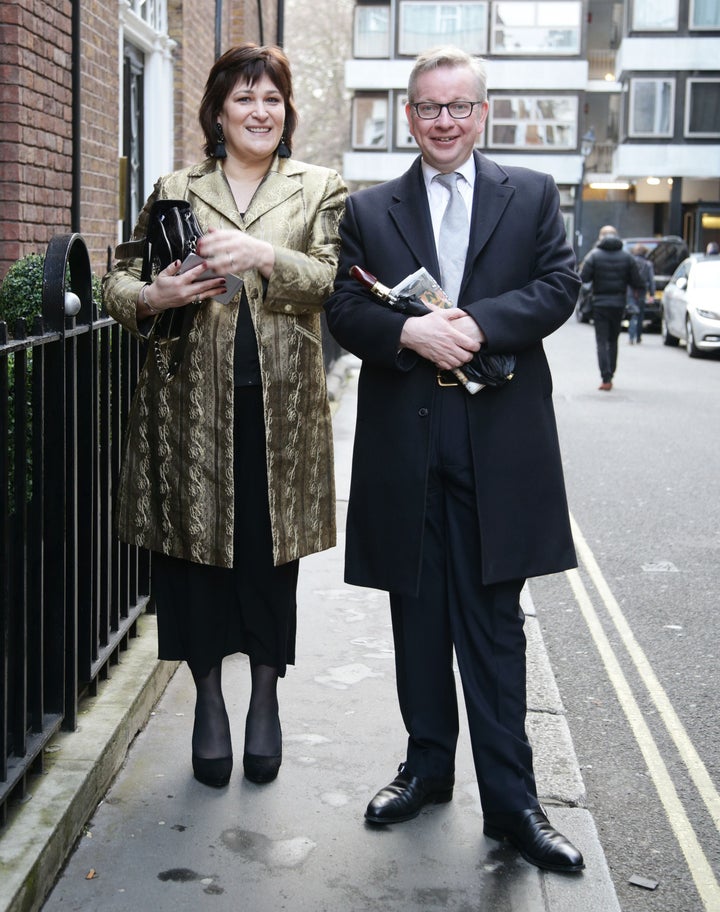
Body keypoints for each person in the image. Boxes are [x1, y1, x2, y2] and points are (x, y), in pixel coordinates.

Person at [325, 46, 584, 873]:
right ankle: (427, 769)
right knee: (417, 620)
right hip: (408, 445)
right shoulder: (370, 208)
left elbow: (559, 285)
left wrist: (473, 322)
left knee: (495, 629)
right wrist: (407, 330)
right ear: (409, 114)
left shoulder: (532, 194)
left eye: (459, 107)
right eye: (429, 108)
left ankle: (514, 806)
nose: (444, 121)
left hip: (499, 450)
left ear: (483, 112)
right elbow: (341, 306)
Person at [103, 44, 346, 789]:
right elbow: (121, 275)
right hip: (188, 413)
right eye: (244, 99)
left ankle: (264, 700)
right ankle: (209, 699)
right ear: (217, 111)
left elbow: (333, 284)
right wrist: (152, 297)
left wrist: (263, 254)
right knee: (193, 562)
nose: (259, 112)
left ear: (287, 112)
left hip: (283, 416)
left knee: (270, 562)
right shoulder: (177, 186)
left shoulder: (321, 188)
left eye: (272, 99)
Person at [580, 226, 643, 388]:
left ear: (601, 238)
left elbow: (583, 277)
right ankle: (611, 373)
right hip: (619, 304)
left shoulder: (594, 255)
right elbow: (637, 281)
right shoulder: (627, 257)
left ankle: (605, 377)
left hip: (600, 304)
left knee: (601, 341)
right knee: (613, 340)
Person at [626, 243, 655, 344]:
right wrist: (652, 294)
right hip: (642, 291)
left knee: (633, 313)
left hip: (630, 291)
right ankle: (638, 336)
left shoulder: (630, 262)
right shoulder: (648, 264)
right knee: (640, 314)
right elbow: (651, 280)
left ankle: (631, 336)